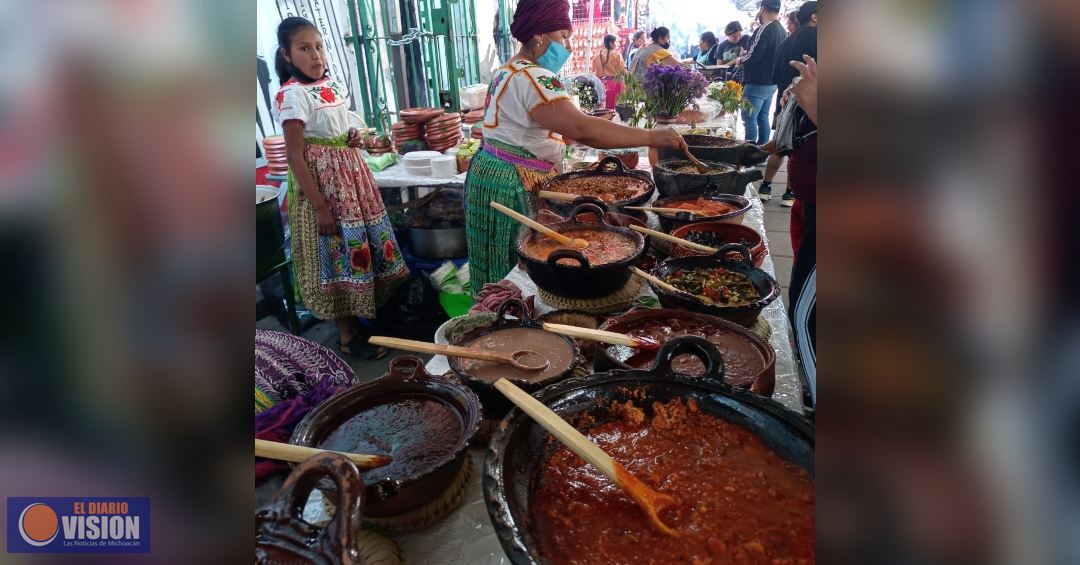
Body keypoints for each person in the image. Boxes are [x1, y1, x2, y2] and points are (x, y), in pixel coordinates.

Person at [463, 0, 686, 293]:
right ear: (540, 35)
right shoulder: (535, 76)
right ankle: (516, 319)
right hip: (512, 182)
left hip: (488, 174)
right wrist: (650, 137)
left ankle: (492, 317)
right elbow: (583, 129)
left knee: (494, 258)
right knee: (522, 266)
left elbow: (525, 127)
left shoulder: (506, 70)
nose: (568, 45)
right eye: (563, 36)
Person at [274, 17, 409, 360]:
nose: (316, 55)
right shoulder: (292, 95)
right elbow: (294, 154)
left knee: (359, 249)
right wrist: (320, 206)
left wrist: (353, 135)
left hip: (351, 181)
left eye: (319, 47)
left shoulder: (329, 84)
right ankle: (347, 335)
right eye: (304, 49)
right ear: (287, 55)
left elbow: (338, 124)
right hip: (324, 188)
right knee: (336, 256)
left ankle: (367, 319)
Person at [760, 0, 817, 204]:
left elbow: (775, 73)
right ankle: (789, 194)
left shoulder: (787, 40)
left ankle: (765, 186)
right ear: (815, 17)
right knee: (800, 149)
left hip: (785, 100)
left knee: (781, 143)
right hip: (811, 108)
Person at [734, 0, 787, 144]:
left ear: (762, 9)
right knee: (762, 117)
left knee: (749, 118)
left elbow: (754, 55)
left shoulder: (765, 28)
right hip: (771, 82)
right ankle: (761, 152)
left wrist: (740, 59)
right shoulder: (781, 30)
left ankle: (750, 154)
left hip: (757, 81)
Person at [592, 34, 626, 110]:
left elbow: (594, 70)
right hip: (614, 83)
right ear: (611, 43)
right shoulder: (616, 55)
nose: (618, 44)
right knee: (613, 109)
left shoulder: (597, 56)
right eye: (616, 42)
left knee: (601, 107)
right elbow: (622, 71)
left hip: (600, 84)